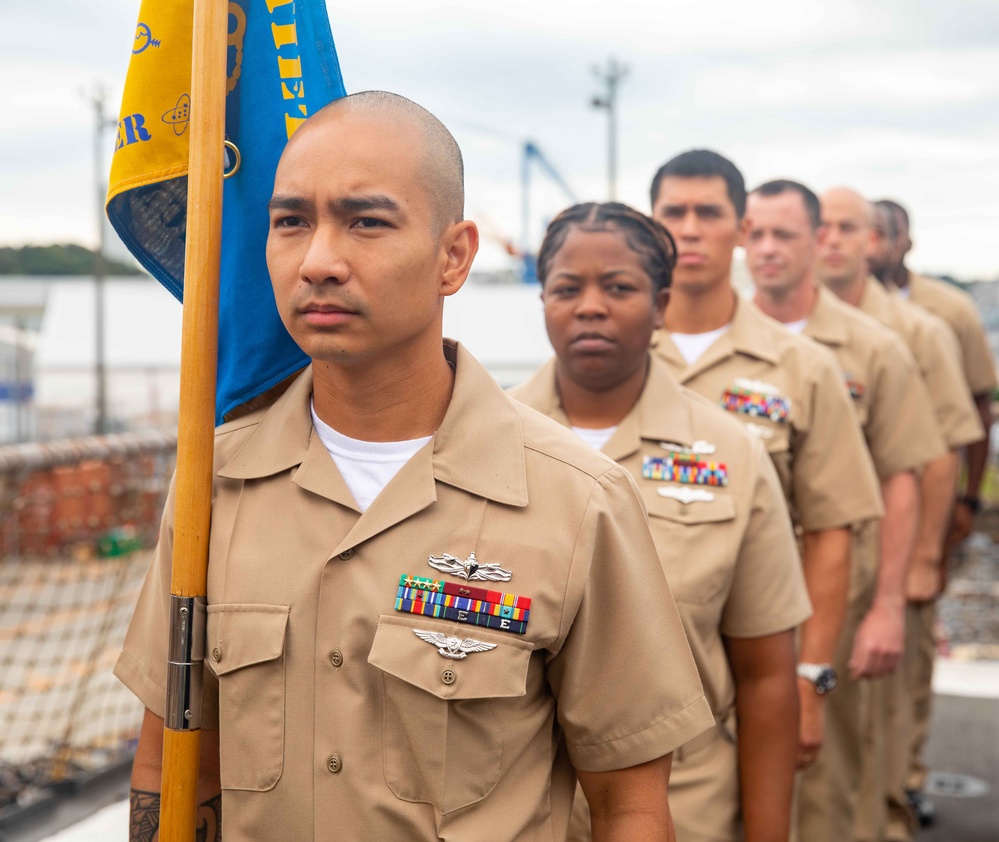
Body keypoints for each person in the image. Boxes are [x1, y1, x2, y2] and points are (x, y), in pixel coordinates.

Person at [114, 92, 714, 842]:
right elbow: (171, 764)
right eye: (291, 221)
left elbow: (628, 804)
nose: (319, 260)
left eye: (366, 221)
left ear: (454, 256)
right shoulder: (213, 488)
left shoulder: (575, 501)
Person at [512, 202, 812, 842]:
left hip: (686, 807)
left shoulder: (733, 453)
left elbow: (764, 677)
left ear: (661, 304)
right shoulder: (478, 443)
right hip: (517, 810)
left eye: (618, 287)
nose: (590, 306)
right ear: (543, 300)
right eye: (567, 288)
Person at [648, 150, 883, 776]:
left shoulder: (802, 369)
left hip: (752, 668)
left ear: (743, 231)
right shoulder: (609, 361)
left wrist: (808, 677)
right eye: (674, 212)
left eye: (710, 212)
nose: (691, 228)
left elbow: (832, 530)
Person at [744, 179, 946, 842]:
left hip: (841, 590)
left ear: (815, 241)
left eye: (786, 235)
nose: (768, 250)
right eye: (757, 234)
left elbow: (903, 477)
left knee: (833, 775)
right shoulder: (717, 344)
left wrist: (889, 604)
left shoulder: (874, 348)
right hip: (741, 597)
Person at [816, 187, 984, 842]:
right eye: (820, 227)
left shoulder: (925, 326)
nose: (831, 240)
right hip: (822, 549)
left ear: (879, 240)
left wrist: (926, 554)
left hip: (890, 536)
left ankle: (893, 805)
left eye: (847, 228)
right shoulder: (788, 326)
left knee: (886, 701)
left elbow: (943, 447)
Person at [875, 197, 997, 829]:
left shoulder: (945, 313)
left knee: (913, 652)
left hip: (930, 504)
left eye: (879, 233)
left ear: (906, 243)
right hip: (861, 519)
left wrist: (964, 508)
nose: (869, 243)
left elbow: (976, 416)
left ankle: (909, 776)